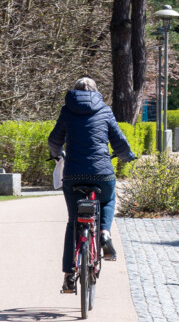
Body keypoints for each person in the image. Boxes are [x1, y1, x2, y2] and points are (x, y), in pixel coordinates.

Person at [47, 76, 136, 293]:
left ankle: (69, 274)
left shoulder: (67, 111)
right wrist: (127, 156)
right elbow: (119, 141)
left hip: (73, 175)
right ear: (96, 91)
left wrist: (56, 154)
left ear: (74, 91)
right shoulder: (104, 111)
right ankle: (104, 233)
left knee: (73, 222)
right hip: (101, 173)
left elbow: (54, 140)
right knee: (108, 198)